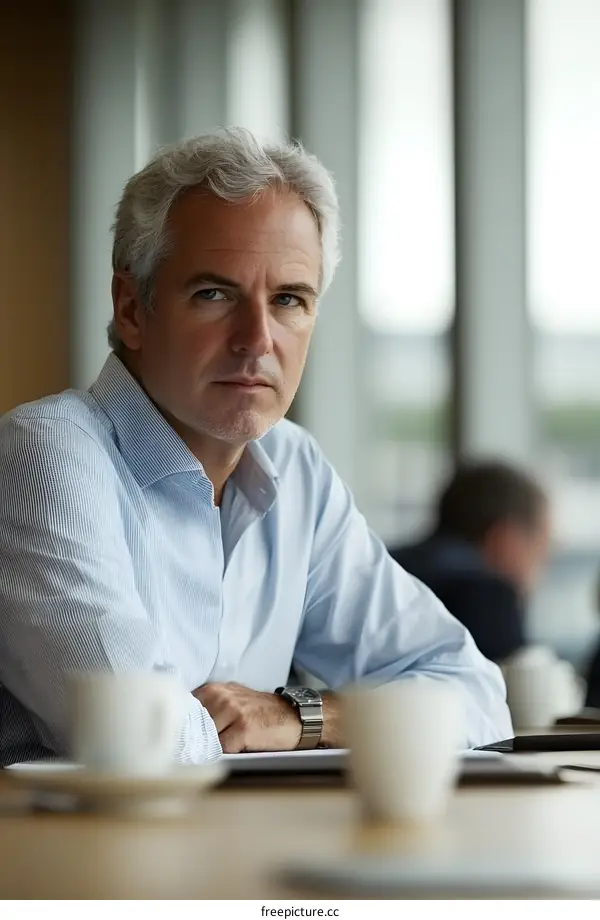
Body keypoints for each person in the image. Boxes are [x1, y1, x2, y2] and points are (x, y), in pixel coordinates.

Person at [0, 129, 511, 766]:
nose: (257, 339)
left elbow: (475, 693)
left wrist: (299, 716)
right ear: (132, 308)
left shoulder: (294, 467)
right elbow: (139, 740)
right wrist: (354, 719)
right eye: (215, 294)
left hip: (241, 853)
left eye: (289, 299)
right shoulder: (46, 453)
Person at [390, 461, 550, 664]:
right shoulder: (488, 598)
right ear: (505, 541)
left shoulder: (383, 567)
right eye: (543, 551)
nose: (543, 571)